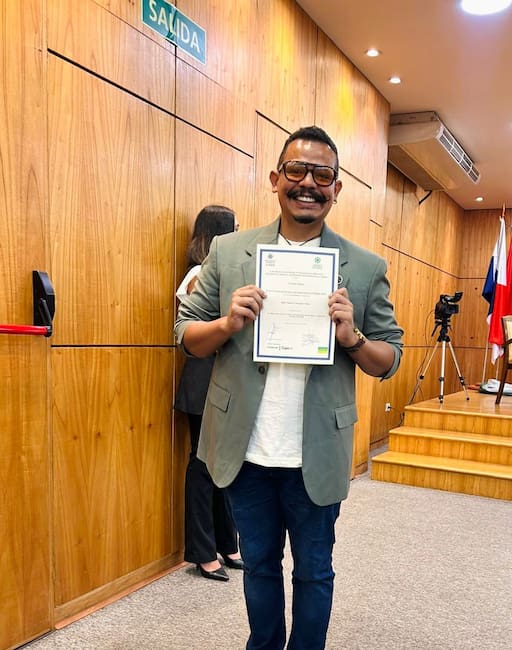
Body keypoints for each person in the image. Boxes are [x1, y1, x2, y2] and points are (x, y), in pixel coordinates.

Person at [175, 125, 403, 649]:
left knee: (314, 572)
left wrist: (351, 337)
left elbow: (390, 358)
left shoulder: (365, 267)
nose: (308, 184)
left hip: (315, 452)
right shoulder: (229, 251)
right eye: (297, 171)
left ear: (336, 188)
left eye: (323, 175)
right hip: (247, 448)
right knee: (259, 566)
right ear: (276, 179)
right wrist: (227, 324)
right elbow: (186, 335)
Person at [174, 205, 243, 582]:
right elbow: (201, 327)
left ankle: (227, 543)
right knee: (202, 467)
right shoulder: (199, 274)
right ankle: (203, 552)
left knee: (223, 465)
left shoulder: (213, 271)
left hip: (222, 376)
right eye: (236, 228)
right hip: (203, 378)